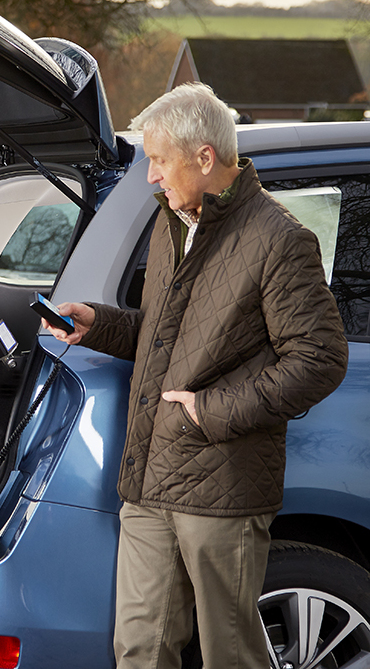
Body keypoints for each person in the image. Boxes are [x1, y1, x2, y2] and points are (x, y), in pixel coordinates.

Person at [42, 82, 349, 669]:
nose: (151, 176)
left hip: (223, 485)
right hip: (150, 478)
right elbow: (167, 335)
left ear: (204, 158)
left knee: (229, 654)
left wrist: (211, 412)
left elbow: (319, 358)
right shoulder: (171, 223)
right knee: (139, 648)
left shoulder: (281, 240)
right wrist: (99, 325)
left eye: (159, 160)